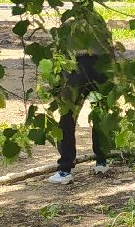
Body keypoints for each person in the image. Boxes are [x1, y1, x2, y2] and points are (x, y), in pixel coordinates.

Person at [46, 51, 112, 185]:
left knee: (68, 115)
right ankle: (102, 162)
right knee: (101, 112)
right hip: (102, 62)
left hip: (75, 64)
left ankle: (65, 170)